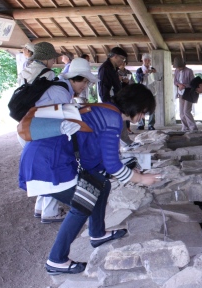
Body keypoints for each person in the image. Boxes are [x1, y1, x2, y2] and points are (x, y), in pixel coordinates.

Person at [18, 83, 160, 275]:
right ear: (135, 106)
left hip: (50, 156)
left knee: (102, 184)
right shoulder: (113, 119)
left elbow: (94, 156)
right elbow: (111, 164)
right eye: (143, 111)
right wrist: (141, 179)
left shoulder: (107, 110)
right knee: (82, 204)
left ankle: (98, 234)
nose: (143, 116)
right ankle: (56, 259)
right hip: (47, 162)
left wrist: (123, 170)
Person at [18, 42, 67, 223]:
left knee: (41, 166)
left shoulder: (26, 71)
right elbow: (48, 102)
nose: (54, 61)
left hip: (25, 124)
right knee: (51, 165)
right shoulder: (46, 74)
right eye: (53, 58)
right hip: (40, 125)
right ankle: (50, 211)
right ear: (47, 58)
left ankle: (40, 207)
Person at [97, 47, 133, 146]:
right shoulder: (105, 68)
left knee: (121, 121)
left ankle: (125, 142)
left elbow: (116, 86)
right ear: (115, 56)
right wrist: (107, 104)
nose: (122, 62)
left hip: (116, 99)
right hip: (109, 101)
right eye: (122, 59)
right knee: (114, 123)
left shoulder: (114, 69)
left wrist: (124, 83)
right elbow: (103, 88)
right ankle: (121, 144)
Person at [173, 57, 197, 132]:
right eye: (178, 67)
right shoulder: (176, 71)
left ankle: (193, 128)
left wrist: (184, 86)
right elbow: (175, 81)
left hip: (188, 93)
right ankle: (185, 127)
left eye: (180, 67)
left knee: (186, 111)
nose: (179, 68)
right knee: (181, 113)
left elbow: (193, 83)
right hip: (180, 93)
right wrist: (179, 85)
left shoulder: (189, 71)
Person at [136, 53, 157, 130]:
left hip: (152, 91)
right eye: (145, 60)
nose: (147, 61)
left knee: (152, 108)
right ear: (142, 60)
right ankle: (141, 124)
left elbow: (158, 78)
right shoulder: (139, 69)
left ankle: (151, 124)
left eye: (148, 60)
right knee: (141, 107)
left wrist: (153, 72)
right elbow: (138, 79)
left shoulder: (153, 69)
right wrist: (143, 74)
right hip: (142, 91)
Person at [118, 61, 135, 133]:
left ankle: (128, 127)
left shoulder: (128, 72)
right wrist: (121, 80)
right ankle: (121, 128)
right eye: (121, 62)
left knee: (127, 111)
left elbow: (133, 82)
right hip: (118, 94)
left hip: (127, 94)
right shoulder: (116, 72)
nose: (122, 64)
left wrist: (128, 81)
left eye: (124, 63)